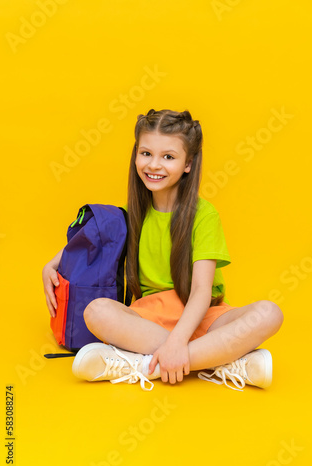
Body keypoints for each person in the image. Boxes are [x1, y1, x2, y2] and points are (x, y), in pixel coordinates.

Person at [42, 108, 284, 391]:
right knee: (96, 311)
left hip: (203, 315)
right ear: (135, 155)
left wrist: (180, 341)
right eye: (146, 153)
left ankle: (145, 365)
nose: (154, 164)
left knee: (270, 313)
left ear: (188, 164)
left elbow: (201, 292)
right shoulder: (132, 214)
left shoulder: (203, 215)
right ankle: (220, 361)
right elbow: (86, 241)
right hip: (148, 321)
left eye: (168, 157)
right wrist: (50, 265)